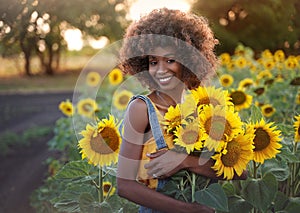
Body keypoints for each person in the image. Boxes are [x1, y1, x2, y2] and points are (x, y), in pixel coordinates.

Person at [116, 8, 246, 213]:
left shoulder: (203, 106)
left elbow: (239, 171)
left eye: (170, 60)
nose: (160, 70)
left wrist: (185, 161)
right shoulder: (141, 109)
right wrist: (188, 210)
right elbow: (124, 186)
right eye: (153, 62)